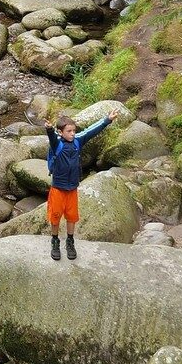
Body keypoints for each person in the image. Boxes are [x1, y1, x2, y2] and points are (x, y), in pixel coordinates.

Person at [45, 109, 119, 260]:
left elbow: (91, 131)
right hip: (58, 188)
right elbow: (52, 137)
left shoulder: (78, 141)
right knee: (55, 216)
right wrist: (49, 129)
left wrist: (107, 120)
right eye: (69, 131)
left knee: (72, 217)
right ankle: (55, 241)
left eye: (74, 130)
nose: (72, 133)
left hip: (72, 188)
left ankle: (70, 241)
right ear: (61, 132)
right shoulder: (57, 144)